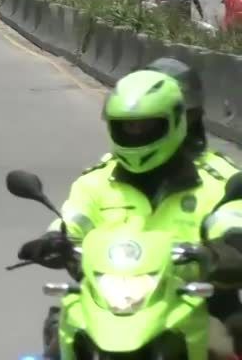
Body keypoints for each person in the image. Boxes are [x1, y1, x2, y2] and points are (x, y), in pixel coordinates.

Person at [20, 68, 242, 358]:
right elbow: (73, 221)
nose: (136, 133)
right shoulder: (95, 181)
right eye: (127, 126)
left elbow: (231, 222)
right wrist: (52, 240)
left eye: (146, 126)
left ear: (178, 122)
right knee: (58, 342)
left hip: (199, 301)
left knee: (225, 345)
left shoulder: (219, 181)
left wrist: (223, 251)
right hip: (108, 306)